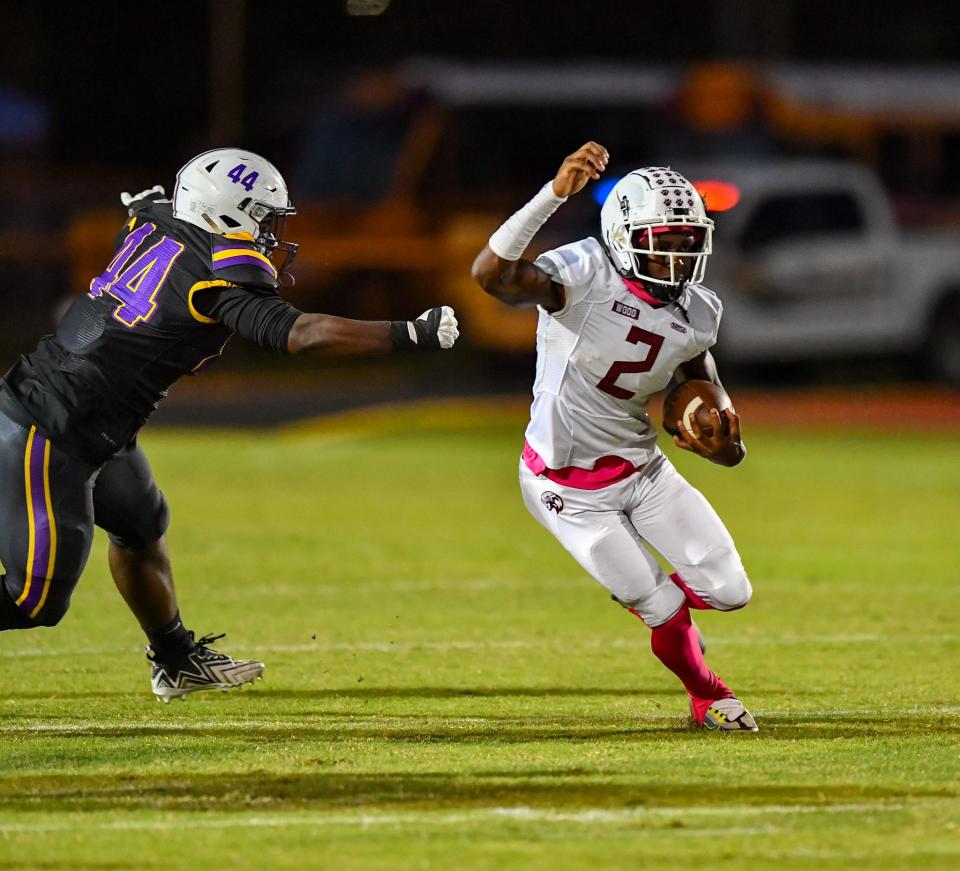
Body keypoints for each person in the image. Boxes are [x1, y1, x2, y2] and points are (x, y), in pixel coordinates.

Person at [0, 148, 459, 701]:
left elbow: (148, 206)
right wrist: (409, 333)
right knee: (35, 601)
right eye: (263, 217)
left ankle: (175, 661)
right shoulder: (214, 277)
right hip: (48, 428)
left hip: (94, 420)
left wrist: (145, 204)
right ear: (225, 212)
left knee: (142, 527)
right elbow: (303, 333)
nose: (271, 233)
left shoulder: (157, 219)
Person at [471, 142, 757, 731]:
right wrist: (553, 195)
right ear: (624, 237)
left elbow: (719, 423)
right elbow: (490, 275)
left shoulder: (699, 311)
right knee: (663, 608)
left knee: (731, 592)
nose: (677, 259)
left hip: (643, 472)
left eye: (687, 243)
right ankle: (709, 694)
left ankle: (651, 599)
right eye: (664, 241)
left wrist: (722, 442)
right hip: (564, 487)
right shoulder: (583, 275)